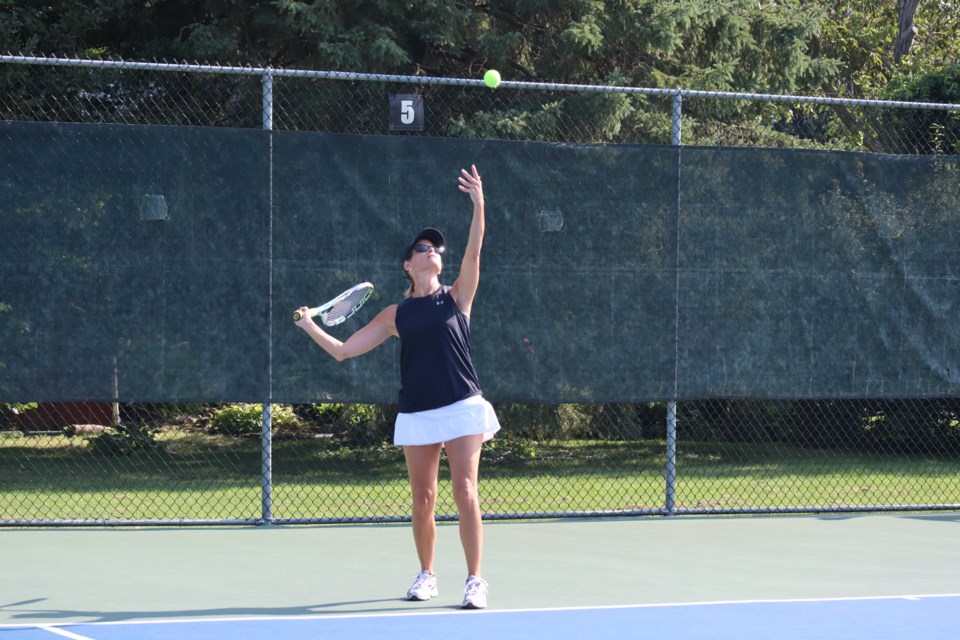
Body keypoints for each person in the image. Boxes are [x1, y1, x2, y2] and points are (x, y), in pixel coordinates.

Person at [294, 164, 500, 610]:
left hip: (463, 404)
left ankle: (475, 581)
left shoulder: (458, 296)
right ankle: (427, 575)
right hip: (418, 411)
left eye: (436, 248)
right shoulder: (394, 315)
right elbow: (345, 351)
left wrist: (479, 203)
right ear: (408, 263)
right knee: (423, 498)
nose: (432, 251)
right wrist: (309, 325)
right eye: (423, 248)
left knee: (465, 491)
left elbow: (476, 253)